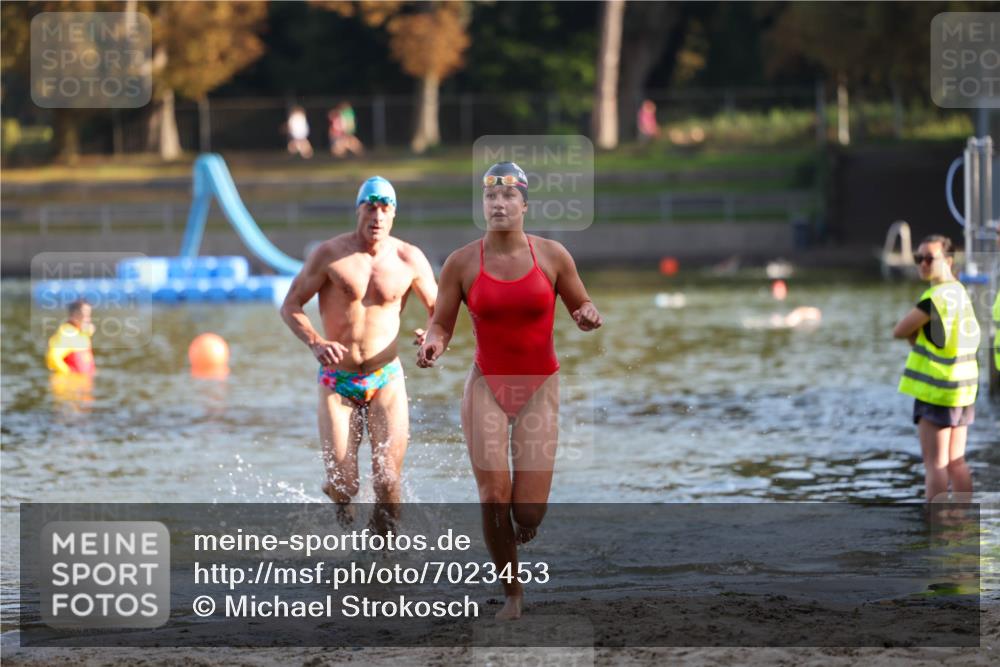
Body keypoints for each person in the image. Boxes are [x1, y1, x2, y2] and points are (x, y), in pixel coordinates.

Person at [417, 161, 603, 620]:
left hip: (540, 385)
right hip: (487, 385)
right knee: (493, 494)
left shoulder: (553, 256)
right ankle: (513, 595)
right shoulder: (462, 262)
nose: (498, 204)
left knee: (530, 513)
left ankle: (519, 527)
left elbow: (582, 302)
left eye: (508, 197)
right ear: (484, 205)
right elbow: (441, 322)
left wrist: (586, 315)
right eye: (490, 198)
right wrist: (433, 344)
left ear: (524, 205)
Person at [280, 176, 437, 529]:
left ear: (394, 214)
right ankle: (338, 494)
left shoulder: (409, 258)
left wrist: (431, 334)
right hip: (338, 381)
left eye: (385, 209)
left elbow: (439, 311)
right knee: (345, 485)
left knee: (387, 481)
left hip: (386, 378)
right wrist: (316, 342)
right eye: (370, 208)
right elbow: (290, 305)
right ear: (358, 210)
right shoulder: (329, 255)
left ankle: (385, 568)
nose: (377, 217)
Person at [893, 235, 980, 502]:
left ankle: (938, 526)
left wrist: (915, 336)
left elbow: (900, 330)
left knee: (935, 464)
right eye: (919, 258)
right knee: (956, 461)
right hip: (963, 389)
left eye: (930, 258)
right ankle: (964, 520)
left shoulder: (935, 298)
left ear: (949, 261)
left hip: (937, 389)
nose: (923, 264)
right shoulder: (959, 292)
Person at [46, 299, 95, 375]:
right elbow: (53, 358)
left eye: (89, 315)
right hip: (70, 383)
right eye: (84, 315)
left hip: (83, 382)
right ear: (73, 315)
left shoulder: (81, 332)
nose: (88, 319)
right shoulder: (66, 334)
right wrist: (68, 374)